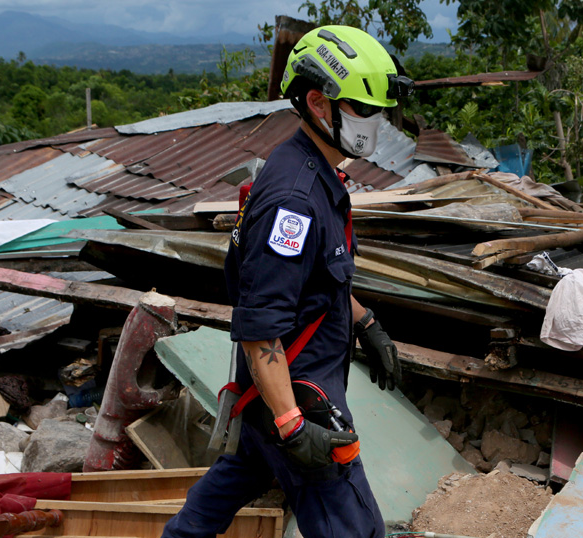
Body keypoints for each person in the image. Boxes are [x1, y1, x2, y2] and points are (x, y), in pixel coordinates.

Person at [161, 25, 411, 538]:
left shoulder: (320, 173)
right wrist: (294, 425)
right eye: (365, 109)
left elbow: (320, 276)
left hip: (272, 399)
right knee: (354, 528)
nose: (376, 123)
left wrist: (366, 322)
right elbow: (259, 329)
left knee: (231, 483)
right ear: (319, 103)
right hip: (299, 397)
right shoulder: (292, 202)